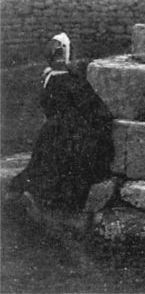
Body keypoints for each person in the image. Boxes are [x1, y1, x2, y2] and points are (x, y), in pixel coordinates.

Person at [10, 33, 114, 212]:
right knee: (75, 168)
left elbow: (46, 106)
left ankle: (31, 195)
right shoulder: (72, 82)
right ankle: (55, 205)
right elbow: (95, 109)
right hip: (73, 132)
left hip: (50, 132)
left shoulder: (48, 79)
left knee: (44, 165)